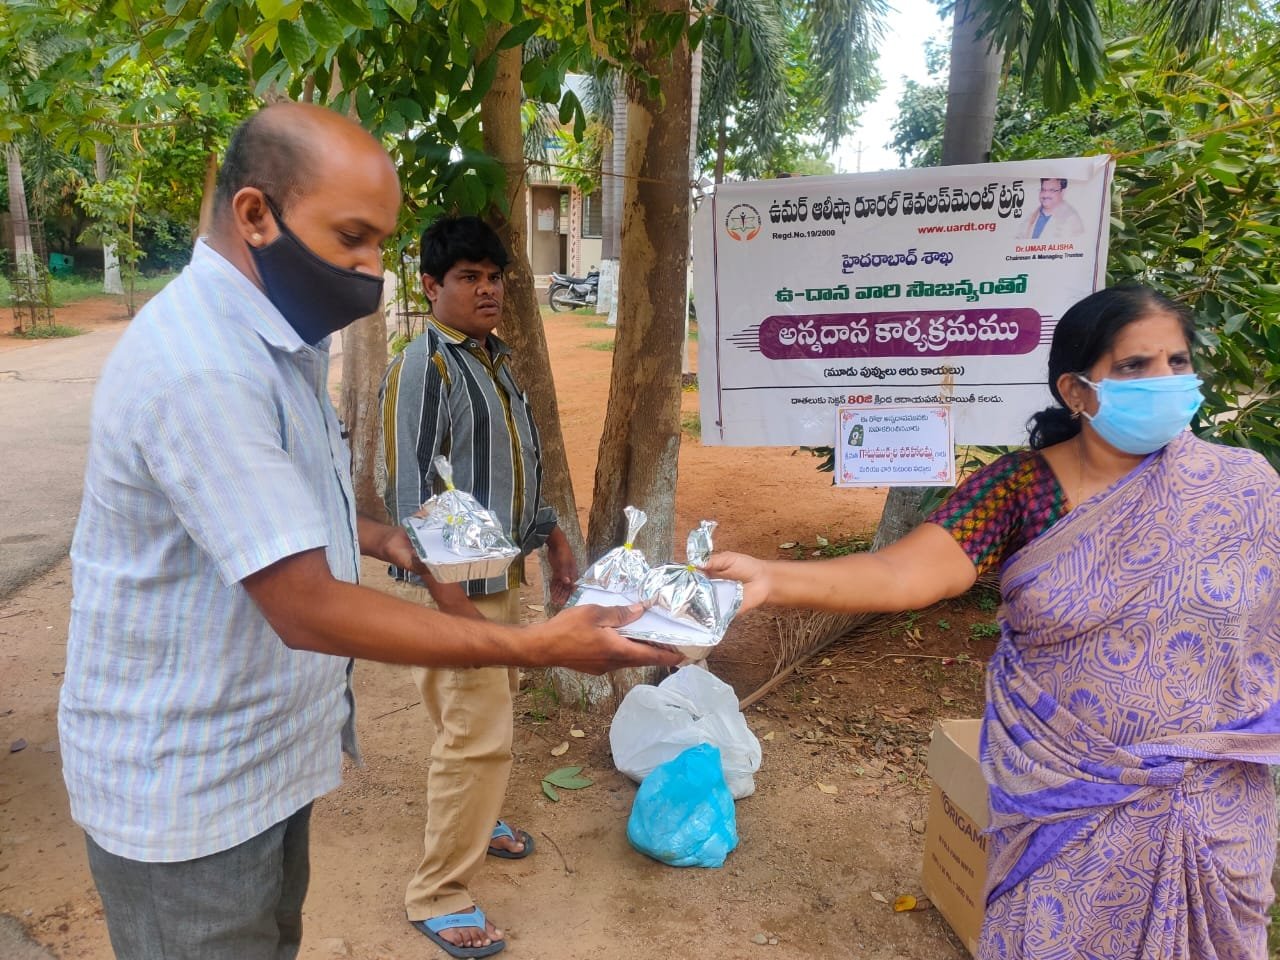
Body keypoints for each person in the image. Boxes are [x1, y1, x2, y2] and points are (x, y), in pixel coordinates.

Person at [57, 102, 678, 960]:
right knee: (472, 736)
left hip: (261, 765)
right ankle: (441, 888)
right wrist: (533, 643)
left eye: (380, 243)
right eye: (353, 237)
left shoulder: (281, 345)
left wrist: (385, 541)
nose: (371, 268)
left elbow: (279, 501)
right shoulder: (202, 367)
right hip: (188, 792)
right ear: (255, 214)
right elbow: (307, 604)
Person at [705, 284, 1280, 959]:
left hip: (1212, 815)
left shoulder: (1244, 487)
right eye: (1134, 366)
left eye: (1178, 363)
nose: (1165, 382)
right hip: (1065, 799)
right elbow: (903, 572)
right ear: (1076, 389)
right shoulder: (1021, 488)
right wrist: (776, 578)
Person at [379, 216, 579, 958]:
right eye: (468, 277)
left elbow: (515, 465)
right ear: (432, 287)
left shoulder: (495, 360)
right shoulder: (421, 367)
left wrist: (553, 536)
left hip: (501, 574)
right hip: (457, 587)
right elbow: (407, 494)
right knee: (478, 731)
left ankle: (477, 818)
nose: (487, 289)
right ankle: (439, 893)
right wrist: (453, 608)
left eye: (494, 277)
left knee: (467, 719)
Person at [1018, 177, 1085, 240]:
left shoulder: (1071, 219)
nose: (1045, 195)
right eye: (1043, 190)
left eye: (1052, 190)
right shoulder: (1033, 215)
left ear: (1062, 192)